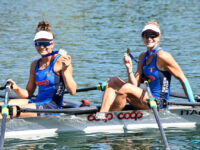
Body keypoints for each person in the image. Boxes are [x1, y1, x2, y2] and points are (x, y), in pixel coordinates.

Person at [100, 21, 195, 112]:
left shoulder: (163, 56)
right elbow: (134, 86)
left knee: (126, 88)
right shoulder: (142, 57)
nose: (149, 38)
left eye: (153, 35)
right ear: (143, 37)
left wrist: (193, 104)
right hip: (145, 99)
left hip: (158, 103)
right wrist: (129, 69)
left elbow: (183, 79)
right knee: (112, 81)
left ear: (159, 37)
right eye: (146, 35)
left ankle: (109, 119)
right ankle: (102, 115)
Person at [1, 21, 77, 117]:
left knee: (9, 111)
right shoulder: (34, 65)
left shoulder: (61, 62)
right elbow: (28, 93)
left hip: (50, 107)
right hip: (37, 102)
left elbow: (72, 91)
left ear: (52, 44)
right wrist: (16, 88)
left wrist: (65, 69)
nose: (41, 47)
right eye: (38, 43)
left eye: (45, 43)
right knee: (1, 105)